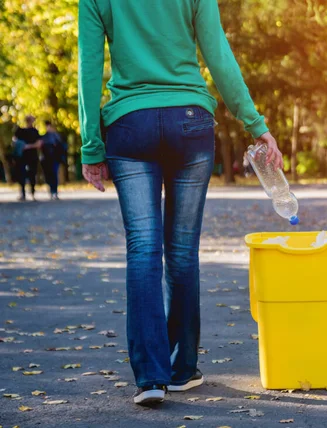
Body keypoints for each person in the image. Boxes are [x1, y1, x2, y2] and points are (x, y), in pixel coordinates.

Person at [78, 0, 283, 405]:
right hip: (189, 122)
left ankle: (151, 379)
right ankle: (182, 368)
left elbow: (87, 67)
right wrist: (255, 124)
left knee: (142, 248)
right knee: (183, 251)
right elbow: (217, 53)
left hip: (129, 125)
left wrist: (91, 145)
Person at [14, 115, 43, 201]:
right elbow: (14, 141)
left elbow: (39, 144)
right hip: (22, 156)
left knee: (32, 174)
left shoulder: (34, 131)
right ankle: (24, 193)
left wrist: (26, 146)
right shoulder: (20, 131)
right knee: (22, 174)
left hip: (31, 156)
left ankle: (32, 193)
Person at [41, 121, 66, 200]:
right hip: (46, 159)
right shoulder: (44, 136)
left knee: (54, 174)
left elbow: (61, 147)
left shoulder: (56, 136)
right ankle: (51, 191)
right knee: (49, 175)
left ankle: (54, 192)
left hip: (55, 158)